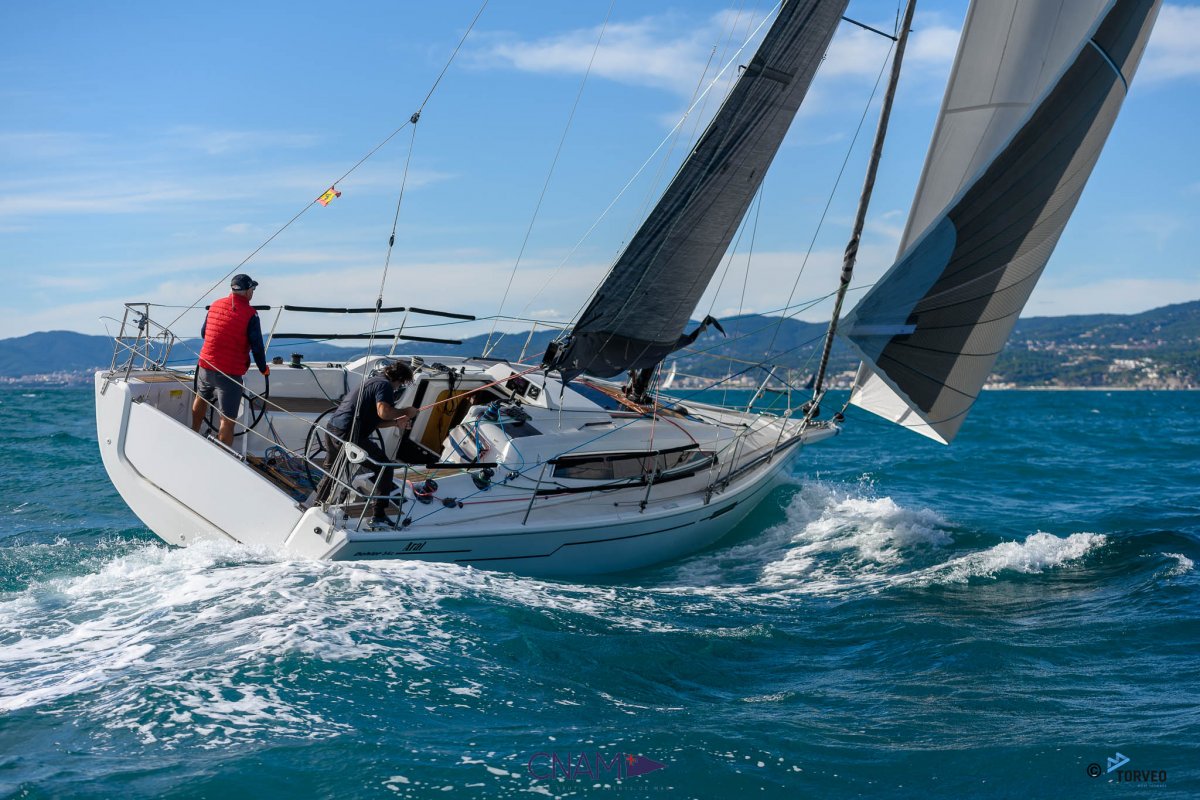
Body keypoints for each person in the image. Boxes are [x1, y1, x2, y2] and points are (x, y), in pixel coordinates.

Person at [319, 361, 418, 525]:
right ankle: (378, 515)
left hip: (333, 430)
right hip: (348, 435)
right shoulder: (385, 385)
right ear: (398, 378)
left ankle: (317, 504)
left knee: (333, 471)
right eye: (401, 384)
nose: (398, 388)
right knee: (385, 467)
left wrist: (396, 422)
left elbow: (374, 421)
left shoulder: (372, 382)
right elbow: (384, 412)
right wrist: (407, 411)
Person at [191, 274, 269, 446]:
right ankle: (224, 456)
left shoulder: (215, 305)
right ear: (248, 291)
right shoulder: (251, 314)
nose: (253, 293)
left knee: (201, 398)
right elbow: (257, 347)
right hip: (229, 373)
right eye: (253, 289)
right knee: (227, 419)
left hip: (205, 365)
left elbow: (205, 333)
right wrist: (264, 369)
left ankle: (193, 434)